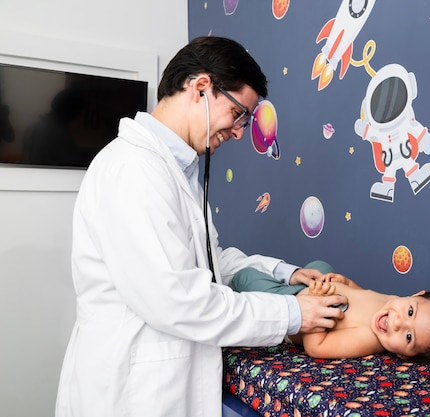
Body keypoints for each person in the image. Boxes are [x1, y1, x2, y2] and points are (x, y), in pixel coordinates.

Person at [55, 36, 348, 417]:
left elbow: (206, 262)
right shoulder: (133, 170)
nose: (241, 132)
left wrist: (285, 273)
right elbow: (179, 299)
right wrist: (293, 314)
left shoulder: (175, 169)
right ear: (201, 87)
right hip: (131, 394)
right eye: (240, 113)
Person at [231, 262, 430, 364]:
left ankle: (229, 284)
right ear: (417, 295)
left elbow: (317, 347)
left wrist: (317, 303)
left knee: (245, 277)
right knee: (322, 266)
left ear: (406, 356)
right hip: (308, 289)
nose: (397, 322)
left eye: (408, 337)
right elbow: (360, 293)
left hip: (288, 305)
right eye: (410, 311)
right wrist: (344, 282)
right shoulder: (391, 302)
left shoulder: (369, 338)